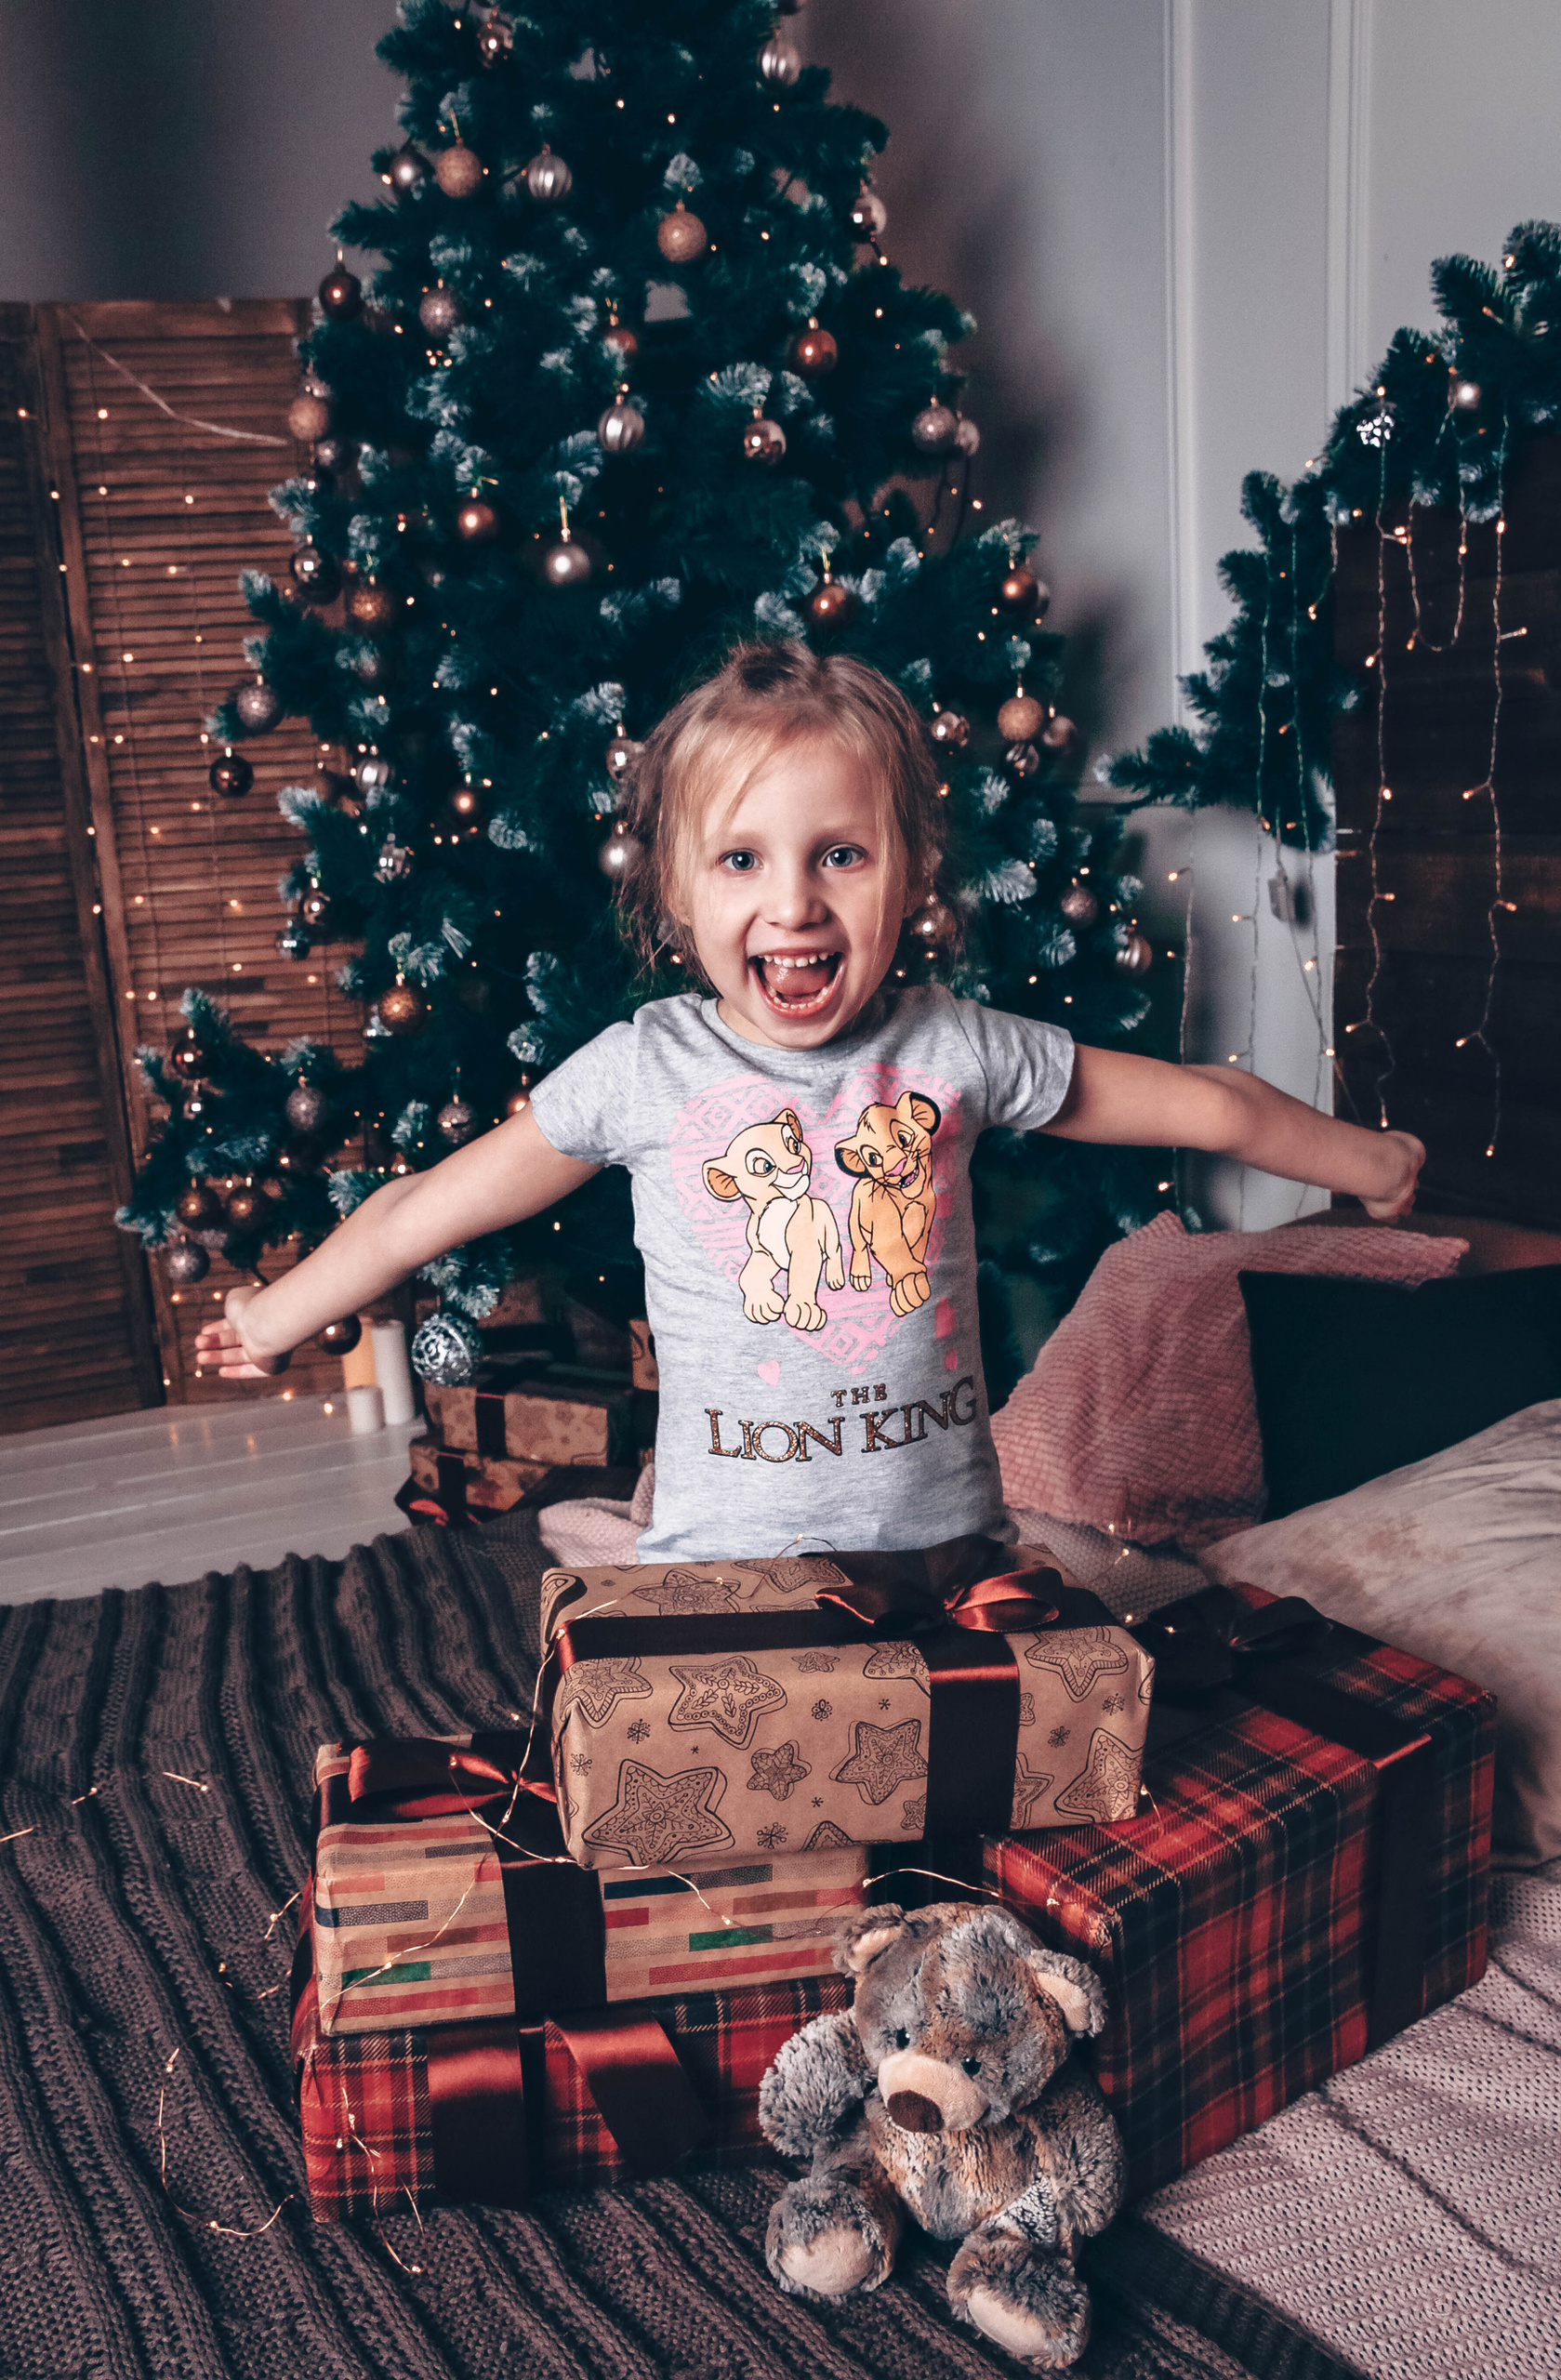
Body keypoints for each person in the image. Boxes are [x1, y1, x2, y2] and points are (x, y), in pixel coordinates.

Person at [197, 642, 1422, 1559]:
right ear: (678, 893)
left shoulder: (957, 1049)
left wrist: (1369, 1164)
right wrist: (273, 1316)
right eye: (742, 861)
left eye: (840, 853)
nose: (793, 903)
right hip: (726, 1578)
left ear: (911, 872)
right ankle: (627, 1544)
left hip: (943, 1560)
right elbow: (424, 1210)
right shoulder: (644, 1072)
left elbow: (1208, 1104)